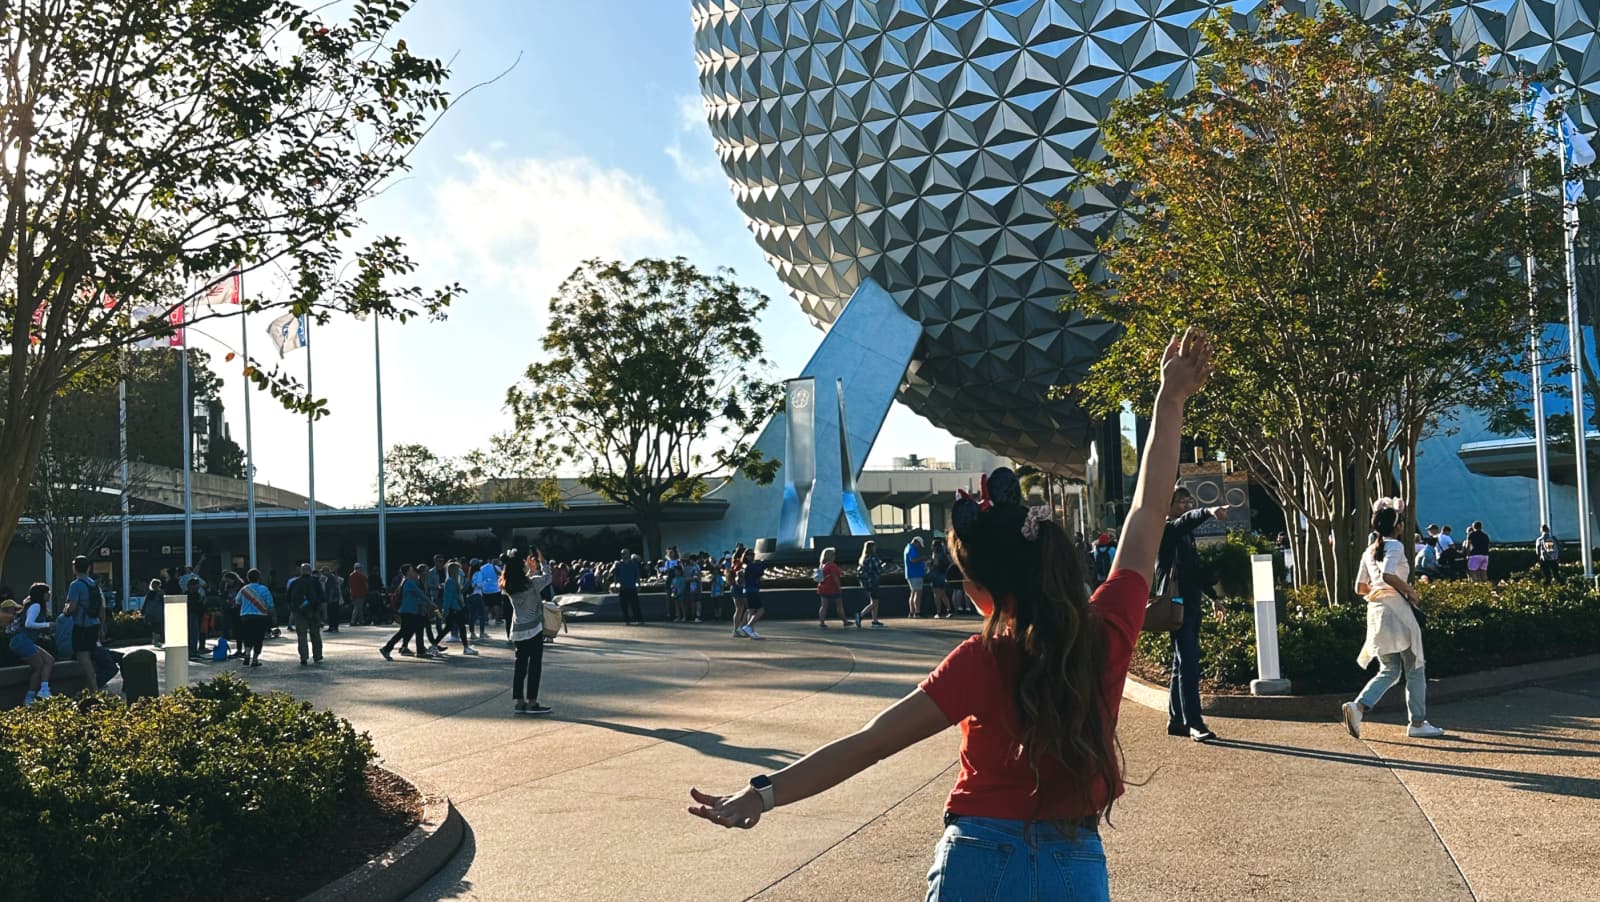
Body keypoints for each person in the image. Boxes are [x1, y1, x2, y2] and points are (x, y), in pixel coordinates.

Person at [687, 328, 1216, 902]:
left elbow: (870, 743)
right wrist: (1170, 398)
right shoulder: (1107, 632)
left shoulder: (981, 661)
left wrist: (763, 794)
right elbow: (1149, 512)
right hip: (1074, 861)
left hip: (977, 861)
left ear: (984, 588)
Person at [1342, 499, 1445, 739]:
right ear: (1397, 526)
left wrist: (1379, 593)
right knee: (1415, 667)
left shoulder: (1369, 550)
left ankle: (1358, 707)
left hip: (1376, 612)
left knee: (1389, 668)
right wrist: (1409, 591)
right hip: (1398, 611)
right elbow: (1388, 574)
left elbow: (1360, 587)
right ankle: (1418, 723)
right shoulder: (1395, 546)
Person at [1157, 486, 1228, 742]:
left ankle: (1176, 720)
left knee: (1181, 662)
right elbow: (1185, 522)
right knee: (1188, 662)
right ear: (1168, 506)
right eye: (1181, 503)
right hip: (1176, 605)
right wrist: (1208, 511)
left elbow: (1194, 570)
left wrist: (1214, 597)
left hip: (1191, 603)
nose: (1186, 507)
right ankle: (1194, 723)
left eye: (1189, 502)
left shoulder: (1186, 537)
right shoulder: (1167, 529)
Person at [506, 549, 556, 715]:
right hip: (534, 628)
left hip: (518, 629)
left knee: (520, 666)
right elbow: (548, 578)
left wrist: (529, 568)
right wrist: (542, 562)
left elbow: (520, 576)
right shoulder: (532, 583)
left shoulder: (507, 585)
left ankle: (520, 702)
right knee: (535, 666)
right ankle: (532, 702)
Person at [7, 586, 54, 704]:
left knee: (49, 660)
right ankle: (29, 697)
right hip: (21, 641)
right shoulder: (36, 606)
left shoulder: (34, 606)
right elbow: (29, 624)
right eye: (47, 592)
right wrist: (47, 625)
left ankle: (44, 689)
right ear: (42, 594)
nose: (49, 594)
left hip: (25, 641)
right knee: (38, 666)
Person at [381, 564, 437, 660]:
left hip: (412, 611)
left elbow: (416, 597)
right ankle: (387, 648)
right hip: (408, 612)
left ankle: (420, 651)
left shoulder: (408, 582)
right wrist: (431, 603)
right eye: (412, 571)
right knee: (404, 631)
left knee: (418, 629)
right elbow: (420, 594)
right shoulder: (409, 582)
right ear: (407, 573)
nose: (415, 572)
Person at [63, 555, 105, 676]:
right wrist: (101, 628)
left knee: (83, 657)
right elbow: (101, 608)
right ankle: (91, 688)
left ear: (74, 568)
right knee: (90, 656)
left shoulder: (75, 585)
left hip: (81, 626)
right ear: (89, 568)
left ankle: (93, 689)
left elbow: (72, 608)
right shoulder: (94, 585)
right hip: (95, 624)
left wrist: (65, 610)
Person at [286, 562, 326, 666]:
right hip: (314, 611)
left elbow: (289, 598)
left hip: (299, 613)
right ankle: (317, 655)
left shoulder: (295, 583)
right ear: (310, 571)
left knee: (302, 636)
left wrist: (295, 609)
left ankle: (303, 657)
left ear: (301, 571)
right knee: (315, 634)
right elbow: (322, 597)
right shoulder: (315, 582)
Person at [235, 569, 274, 667]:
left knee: (247, 636)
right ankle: (255, 659)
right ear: (259, 578)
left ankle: (247, 654)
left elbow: (237, 601)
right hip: (260, 616)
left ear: (248, 578)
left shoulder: (244, 589)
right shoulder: (264, 589)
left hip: (246, 616)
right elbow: (270, 605)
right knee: (258, 638)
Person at [442, 561, 479, 656]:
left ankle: (434, 645)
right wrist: (445, 609)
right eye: (458, 570)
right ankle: (466, 647)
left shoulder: (452, 581)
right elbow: (448, 597)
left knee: (449, 628)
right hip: (454, 608)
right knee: (461, 627)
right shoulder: (451, 581)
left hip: (455, 608)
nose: (460, 572)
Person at [854, 541, 885, 629]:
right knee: (875, 603)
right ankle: (860, 615)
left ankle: (875, 620)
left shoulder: (863, 558)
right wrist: (882, 567)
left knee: (874, 601)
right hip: (873, 582)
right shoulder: (873, 558)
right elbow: (878, 570)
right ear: (872, 548)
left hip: (867, 583)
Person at [815, 547, 847, 628]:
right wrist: (839, 587)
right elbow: (835, 577)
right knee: (839, 606)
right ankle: (845, 621)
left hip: (822, 588)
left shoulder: (822, 565)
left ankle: (821, 622)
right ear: (831, 556)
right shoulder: (832, 565)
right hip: (833, 588)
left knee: (823, 606)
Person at [738, 549, 766, 639]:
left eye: (753, 554)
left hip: (746, 591)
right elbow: (760, 572)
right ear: (746, 556)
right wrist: (763, 563)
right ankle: (748, 626)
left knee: (751, 610)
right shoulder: (749, 566)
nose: (753, 556)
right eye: (750, 554)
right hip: (752, 590)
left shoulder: (745, 565)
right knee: (761, 610)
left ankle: (752, 632)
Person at [615, 551, 643, 625]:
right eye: (622, 553)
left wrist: (639, 585)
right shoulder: (618, 564)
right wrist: (615, 585)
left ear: (628, 554)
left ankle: (639, 619)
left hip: (632, 586)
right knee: (624, 605)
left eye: (625, 553)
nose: (623, 555)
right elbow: (616, 575)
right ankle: (627, 620)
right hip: (623, 587)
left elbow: (637, 575)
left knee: (635, 604)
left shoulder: (633, 564)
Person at [903, 536, 926, 618]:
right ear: (916, 542)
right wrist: (922, 558)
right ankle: (917, 612)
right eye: (919, 545)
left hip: (911, 574)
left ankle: (912, 612)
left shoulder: (908, 548)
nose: (919, 547)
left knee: (913, 593)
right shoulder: (911, 549)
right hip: (915, 574)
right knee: (918, 593)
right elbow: (912, 560)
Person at [143, 578, 166, 646]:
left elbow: (145, 603)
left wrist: (143, 611)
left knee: (154, 626)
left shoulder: (149, 593)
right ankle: (157, 641)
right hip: (158, 612)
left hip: (150, 612)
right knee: (158, 627)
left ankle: (155, 640)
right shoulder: (161, 593)